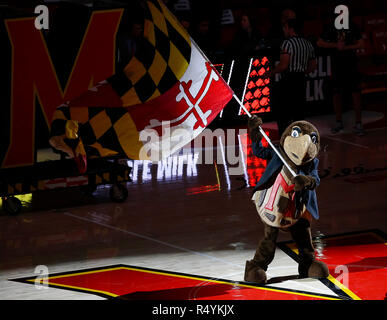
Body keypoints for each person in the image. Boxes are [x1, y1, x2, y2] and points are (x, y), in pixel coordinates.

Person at [267, 18, 317, 136]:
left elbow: (283, 65)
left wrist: (270, 73)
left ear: (291, 29)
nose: (284, 30)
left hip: (289, 80)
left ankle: (285, 141)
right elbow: (314, 65)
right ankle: (299, 141)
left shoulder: (287, 43)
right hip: (301, 80)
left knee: (284, 113)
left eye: (285, 27)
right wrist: (303, 72)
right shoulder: (307, 44)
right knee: (299, 112)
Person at [317, 16, 365, 136]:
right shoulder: (330, 26)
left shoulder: (352, 25)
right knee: (336, 93)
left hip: (351, 64)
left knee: (356, 92)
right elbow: (320, 42)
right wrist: (335, 46)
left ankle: (359, 123)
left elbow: (361, 43)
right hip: (337, 65)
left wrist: (346, 47)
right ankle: (338, 122)